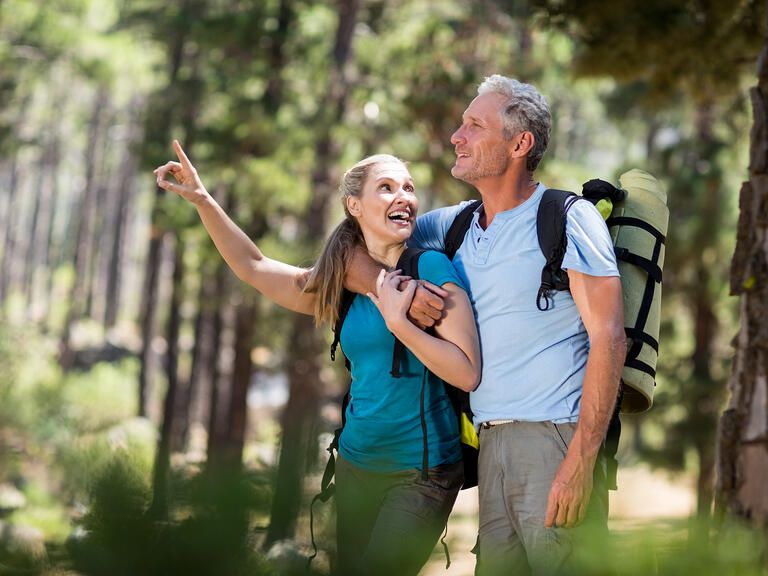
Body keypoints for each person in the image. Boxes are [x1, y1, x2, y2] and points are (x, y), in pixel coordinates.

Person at [154, 144, 481, 575]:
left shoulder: (432, 267)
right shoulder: (339, 285)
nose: (403, 196)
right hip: (357, 466)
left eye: (408, 187)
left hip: (422, 472)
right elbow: (254, 266)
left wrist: (401, 324)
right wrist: (203, 200)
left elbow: (467, 370)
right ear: (354, 205)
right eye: (386, 188)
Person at [344, 75, 626, 574]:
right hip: (490, 444)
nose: (457, 136)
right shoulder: (451, 226)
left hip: (555, 441)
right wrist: (401, 297)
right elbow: (360, 244)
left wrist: (582, 460)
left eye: (474, 125)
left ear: (520, 144)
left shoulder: (567, 218)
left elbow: (609, 337)